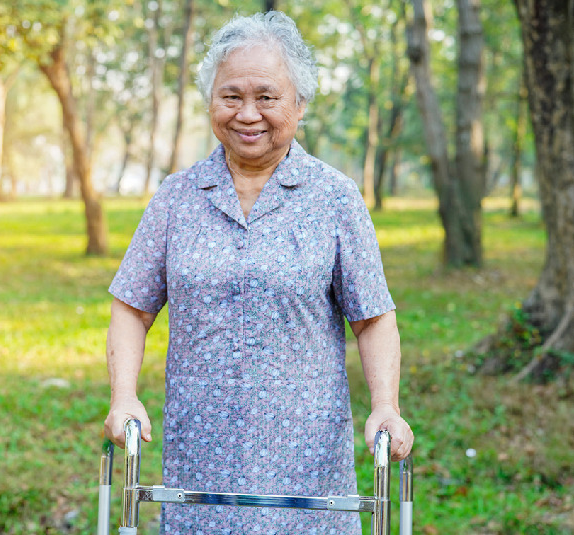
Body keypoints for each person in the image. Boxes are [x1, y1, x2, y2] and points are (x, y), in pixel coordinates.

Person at [104, 11, 413, 534]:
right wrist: (124, 396)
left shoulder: (334, 197)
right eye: (231, 96)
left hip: (307, 464)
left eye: (267, 97)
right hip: (201, 461)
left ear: (299, 103)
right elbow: (132, 306)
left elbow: (373, 318)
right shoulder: (177, 197)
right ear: (210, 103)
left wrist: (386, 406)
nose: (248, 113)